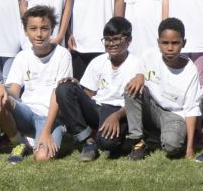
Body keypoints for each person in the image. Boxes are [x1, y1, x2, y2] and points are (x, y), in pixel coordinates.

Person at [51, 16, 142, 161]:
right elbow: (88, 94)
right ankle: (88, 141)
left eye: (116, 39)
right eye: (107, 40)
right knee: (64, 89)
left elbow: (136, 101)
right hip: (98, 108)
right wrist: (75, 87)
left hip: (120, 112)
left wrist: (116, 116)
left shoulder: (137, 64)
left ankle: (121, 138)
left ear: (128, 40)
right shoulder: (97, 62)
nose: (111, 44)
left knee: (107, 144)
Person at [0, 5, 72, 162]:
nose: (39, 34)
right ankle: (18, 142)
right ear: (25, 30)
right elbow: (14, 91)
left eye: (44, 28)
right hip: (26, 113)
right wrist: (0, 87)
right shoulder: (22, 56)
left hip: (50, 117)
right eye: (33, 29)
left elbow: (59, 95)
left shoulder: (63, 55)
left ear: (52, 29)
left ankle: (40, 137)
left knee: (43, 157)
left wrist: (46, 131)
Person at [125, 17, 201, 160]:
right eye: (165, 43)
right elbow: (139, 72)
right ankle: (137, 142)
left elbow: (191, 109)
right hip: (153, 108)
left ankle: (157, 137)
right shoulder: (149, 55)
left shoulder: (190, 70)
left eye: (175, 43)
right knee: (132, 88)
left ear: (183, 43)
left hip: (174, 115)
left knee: (172, 147)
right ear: (158, 43)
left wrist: (190, 148)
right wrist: (139, 75)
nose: (170, 48)